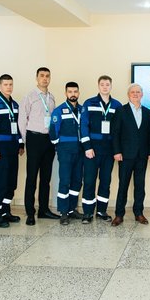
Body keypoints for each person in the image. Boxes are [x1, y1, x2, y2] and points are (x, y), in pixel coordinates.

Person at [19, 67, 59, 226]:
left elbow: (54, 120)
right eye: (42, 76)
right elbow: (22, 120)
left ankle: (44, 209)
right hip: (34, 138)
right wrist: (24, 141)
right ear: (37, 78)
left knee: (46, 177)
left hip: (48, 140)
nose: (45, 78)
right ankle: (30, 212)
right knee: (32, 177)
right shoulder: (29, 97)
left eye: (47, 76)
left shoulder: (52, 97)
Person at [110, 83, 150, 227]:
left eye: (138, 92)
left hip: (142, 155)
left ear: (142, 94)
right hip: (125, 155)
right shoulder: (121, 110)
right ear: (128, 95)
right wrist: (116, 151)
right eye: (132, 92)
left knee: (140, 186)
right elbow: (115, 133)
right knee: (123, 185)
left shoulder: (147, 112)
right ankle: (119, 215)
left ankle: (139, 213)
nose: (135, 94)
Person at [0, 74, 25, 228]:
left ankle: (5, 211)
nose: (8, 87)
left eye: (10, 84)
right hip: (0, 149)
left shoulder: (15, 105)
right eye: (6, 84)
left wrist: (21, 144)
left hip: (13, 148)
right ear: (0, 86)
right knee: (1, 181)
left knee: (11, 182)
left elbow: (18, 128)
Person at [80, 75, 122, 222]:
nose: (105, 87)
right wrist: (87, 147)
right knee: (89, 181)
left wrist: (117, 150)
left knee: (105, 181)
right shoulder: (89, 103)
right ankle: (87, 213)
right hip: (92, 149)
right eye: (102, 84)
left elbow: (119, 130)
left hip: (109, 150)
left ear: (111, 86)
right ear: (98, 86)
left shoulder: (117, 105)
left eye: (107, 84)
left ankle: (101, 211)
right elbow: (83, 126)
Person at [49, 82, 84, 225]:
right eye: (70, 92)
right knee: (65, 181)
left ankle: (72, 209)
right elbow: (53, 130)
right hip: (65, 151)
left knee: (77, 181)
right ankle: (63, 212)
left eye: (75, 91)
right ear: (66, 93)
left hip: (80, 150)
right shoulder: (59, 110)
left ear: (78, 93)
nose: (73, 94)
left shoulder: (82, 110)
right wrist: (59, 145)